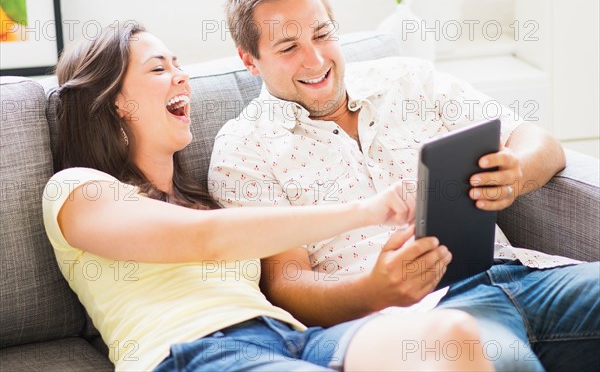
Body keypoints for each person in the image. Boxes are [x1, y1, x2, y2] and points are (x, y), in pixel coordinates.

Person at [209, 0, 600, 372]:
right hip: (421, 318)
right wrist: (373, 289)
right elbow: (287, 283)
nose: (315, 59)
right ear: (250, 60)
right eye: (288, 48)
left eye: (323, 34)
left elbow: (539, 141)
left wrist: (517, 171)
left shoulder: (407, 80)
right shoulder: (244, 148)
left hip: (523, 274)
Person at [42, 22, 494, 372]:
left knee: (448, 333)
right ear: (113, 101)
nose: (182, 78)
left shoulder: (204, 200)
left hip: (293, 340)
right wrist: (366, 211)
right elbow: (205, 240)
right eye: (159, 68)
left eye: (179, 65)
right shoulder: (78, 190)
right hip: (194, 352)